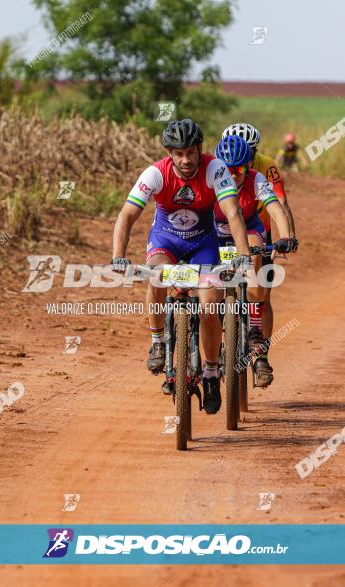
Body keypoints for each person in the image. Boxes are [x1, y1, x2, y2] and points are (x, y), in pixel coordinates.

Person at [110, 119, 252, 415]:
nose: (186, 160)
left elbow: (233, 212)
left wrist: (243, 253)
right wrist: (118, 255)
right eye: (179, 154)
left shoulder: (216, 169)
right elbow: (127, 215)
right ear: (169, 154)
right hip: (166, 240)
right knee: (157, 277)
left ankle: (212, 373)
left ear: (200, 150)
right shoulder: (155, 173)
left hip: (203, 243)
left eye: (191, 152)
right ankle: (158, 341)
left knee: (211, 304)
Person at [214, 135, 296, 386]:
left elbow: (274, 207)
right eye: (227, 169)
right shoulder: (211, 179)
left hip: (249, 231)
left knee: (254, 254)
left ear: (248, 165)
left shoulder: (256, 179)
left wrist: (285, 236)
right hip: (215, 232)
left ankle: (254, 330)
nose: (234, 174)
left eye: (239, 169)